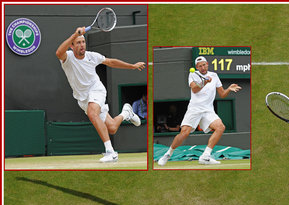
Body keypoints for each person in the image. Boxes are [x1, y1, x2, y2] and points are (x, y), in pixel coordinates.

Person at [56, 27, 145, 163]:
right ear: (72, 46)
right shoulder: (67, 58)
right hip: (83, 99)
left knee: (93, 114)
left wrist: (132, 66)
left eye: (83, 42)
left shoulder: (92, 56)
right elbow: (58, 53)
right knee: (112, 128)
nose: (82, 45)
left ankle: (111, 152)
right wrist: (75, 34)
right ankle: (126, 113)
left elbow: (111, 62)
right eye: (78, 43)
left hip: (96, 90)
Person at [157, 56, 241, 165]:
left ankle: (205, 156)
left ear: (207, 64)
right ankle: (168, 154)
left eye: (204, 64)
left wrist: (229, 89)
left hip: (208, 110)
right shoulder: (192, 74)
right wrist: (204, 83)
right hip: (194, 109)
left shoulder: (214, 76)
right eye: (200, 66)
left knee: (220, 127)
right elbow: (195, 89)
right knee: (184, 133)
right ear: (197, 67)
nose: (203, 67)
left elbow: (222, 94)